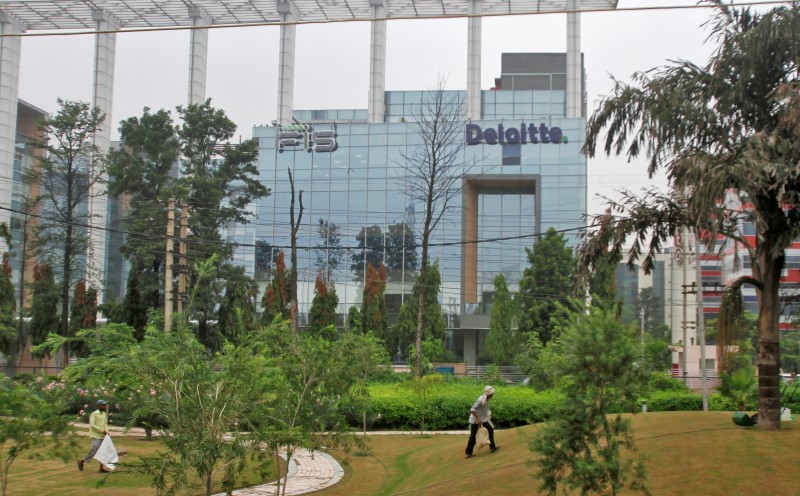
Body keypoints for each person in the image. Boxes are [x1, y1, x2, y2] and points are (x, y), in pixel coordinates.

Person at [464, 385, 499, 459]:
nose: (493, 395)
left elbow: (484, 408)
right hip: (475, 420)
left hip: (483, 418)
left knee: (490, 429)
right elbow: (472, 409)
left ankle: (492, 447)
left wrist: (488, 415)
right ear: (489, 394)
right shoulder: (480, 399)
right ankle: (468, 453)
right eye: (492, 394)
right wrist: (478, 418)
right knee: (473, 437)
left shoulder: (486, 399)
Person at [77, 399, 109, 472]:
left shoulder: (104, 414)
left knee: (103, 451)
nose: (105, 407)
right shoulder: (94, 414)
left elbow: (105, 424)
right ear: (99, 406)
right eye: (103, 405)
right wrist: (102, 431)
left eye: (105, 405)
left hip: (102, 436)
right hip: (95, 435)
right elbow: (92, 425)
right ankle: (81, 462)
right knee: (95, 449)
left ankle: (101, 468)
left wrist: (106, 431)